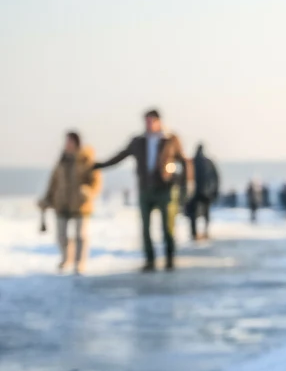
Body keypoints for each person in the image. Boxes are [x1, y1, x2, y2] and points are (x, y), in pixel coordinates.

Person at [95, 109, 191, 272]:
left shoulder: (170, 139)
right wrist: (100, 165)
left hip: (165, 189)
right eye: (146, 121)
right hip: (145, 188)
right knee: (145, 228)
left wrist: (187, 182)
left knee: (167, 226)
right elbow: (120, 156)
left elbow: (185, 161)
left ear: (159, 121)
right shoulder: (138, 141)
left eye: (152, 121)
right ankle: (150, 260)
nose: (149, 124)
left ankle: (169, 258)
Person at [38, 132, 102, 274]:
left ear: (76, 142)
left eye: (70, 141)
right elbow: (53, 182)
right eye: (66, 141)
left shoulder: (86, 160)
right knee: (61, 235)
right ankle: (66, 258)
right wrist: (47, 199)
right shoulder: (61, 161)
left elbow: (96, 181)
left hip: (80, 203)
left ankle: (79, 263)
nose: (67, 144)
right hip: (62, 202)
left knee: (81, 235)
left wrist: (88, 192)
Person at [187, 143, 220, 240]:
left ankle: (194, 233)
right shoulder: (209, 162)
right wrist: (214, 191)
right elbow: (216, 177)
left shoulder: (192, 162)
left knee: (193, 214)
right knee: (206, 213)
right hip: (206, 192)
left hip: (194, 192)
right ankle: (205, 231)